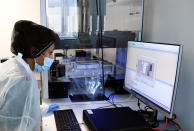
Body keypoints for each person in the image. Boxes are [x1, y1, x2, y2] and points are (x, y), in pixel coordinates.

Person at [0, 20, 57, 131]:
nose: (51, 58)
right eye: (50, 53)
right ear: (34, 51)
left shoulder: (14, 65)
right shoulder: (22, 80)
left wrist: (41, 109)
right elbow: (16, 123)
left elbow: (16, 110)